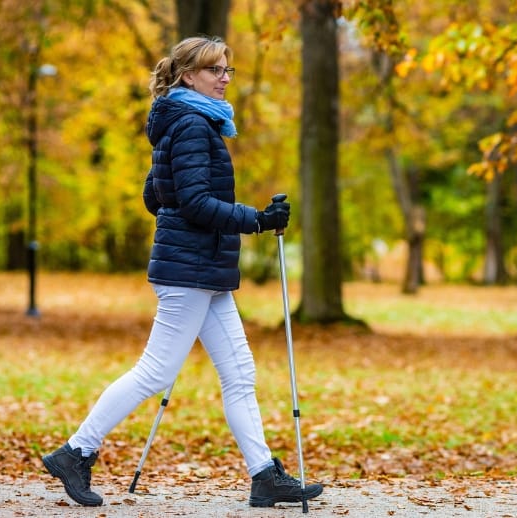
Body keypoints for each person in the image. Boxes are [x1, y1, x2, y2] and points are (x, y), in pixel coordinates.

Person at [41, 35, 324, 509]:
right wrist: (256, 219)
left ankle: (263, 476)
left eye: (228, 70)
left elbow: (156, 197)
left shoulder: (180, 122)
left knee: (239, 373)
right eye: (215, 70)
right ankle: (75, 452)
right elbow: (192, 202)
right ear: (188, 75)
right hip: (189, 269)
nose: (225, 78)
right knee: (155, 371)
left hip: (204, 268)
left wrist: (190, 203)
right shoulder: (192, 124)